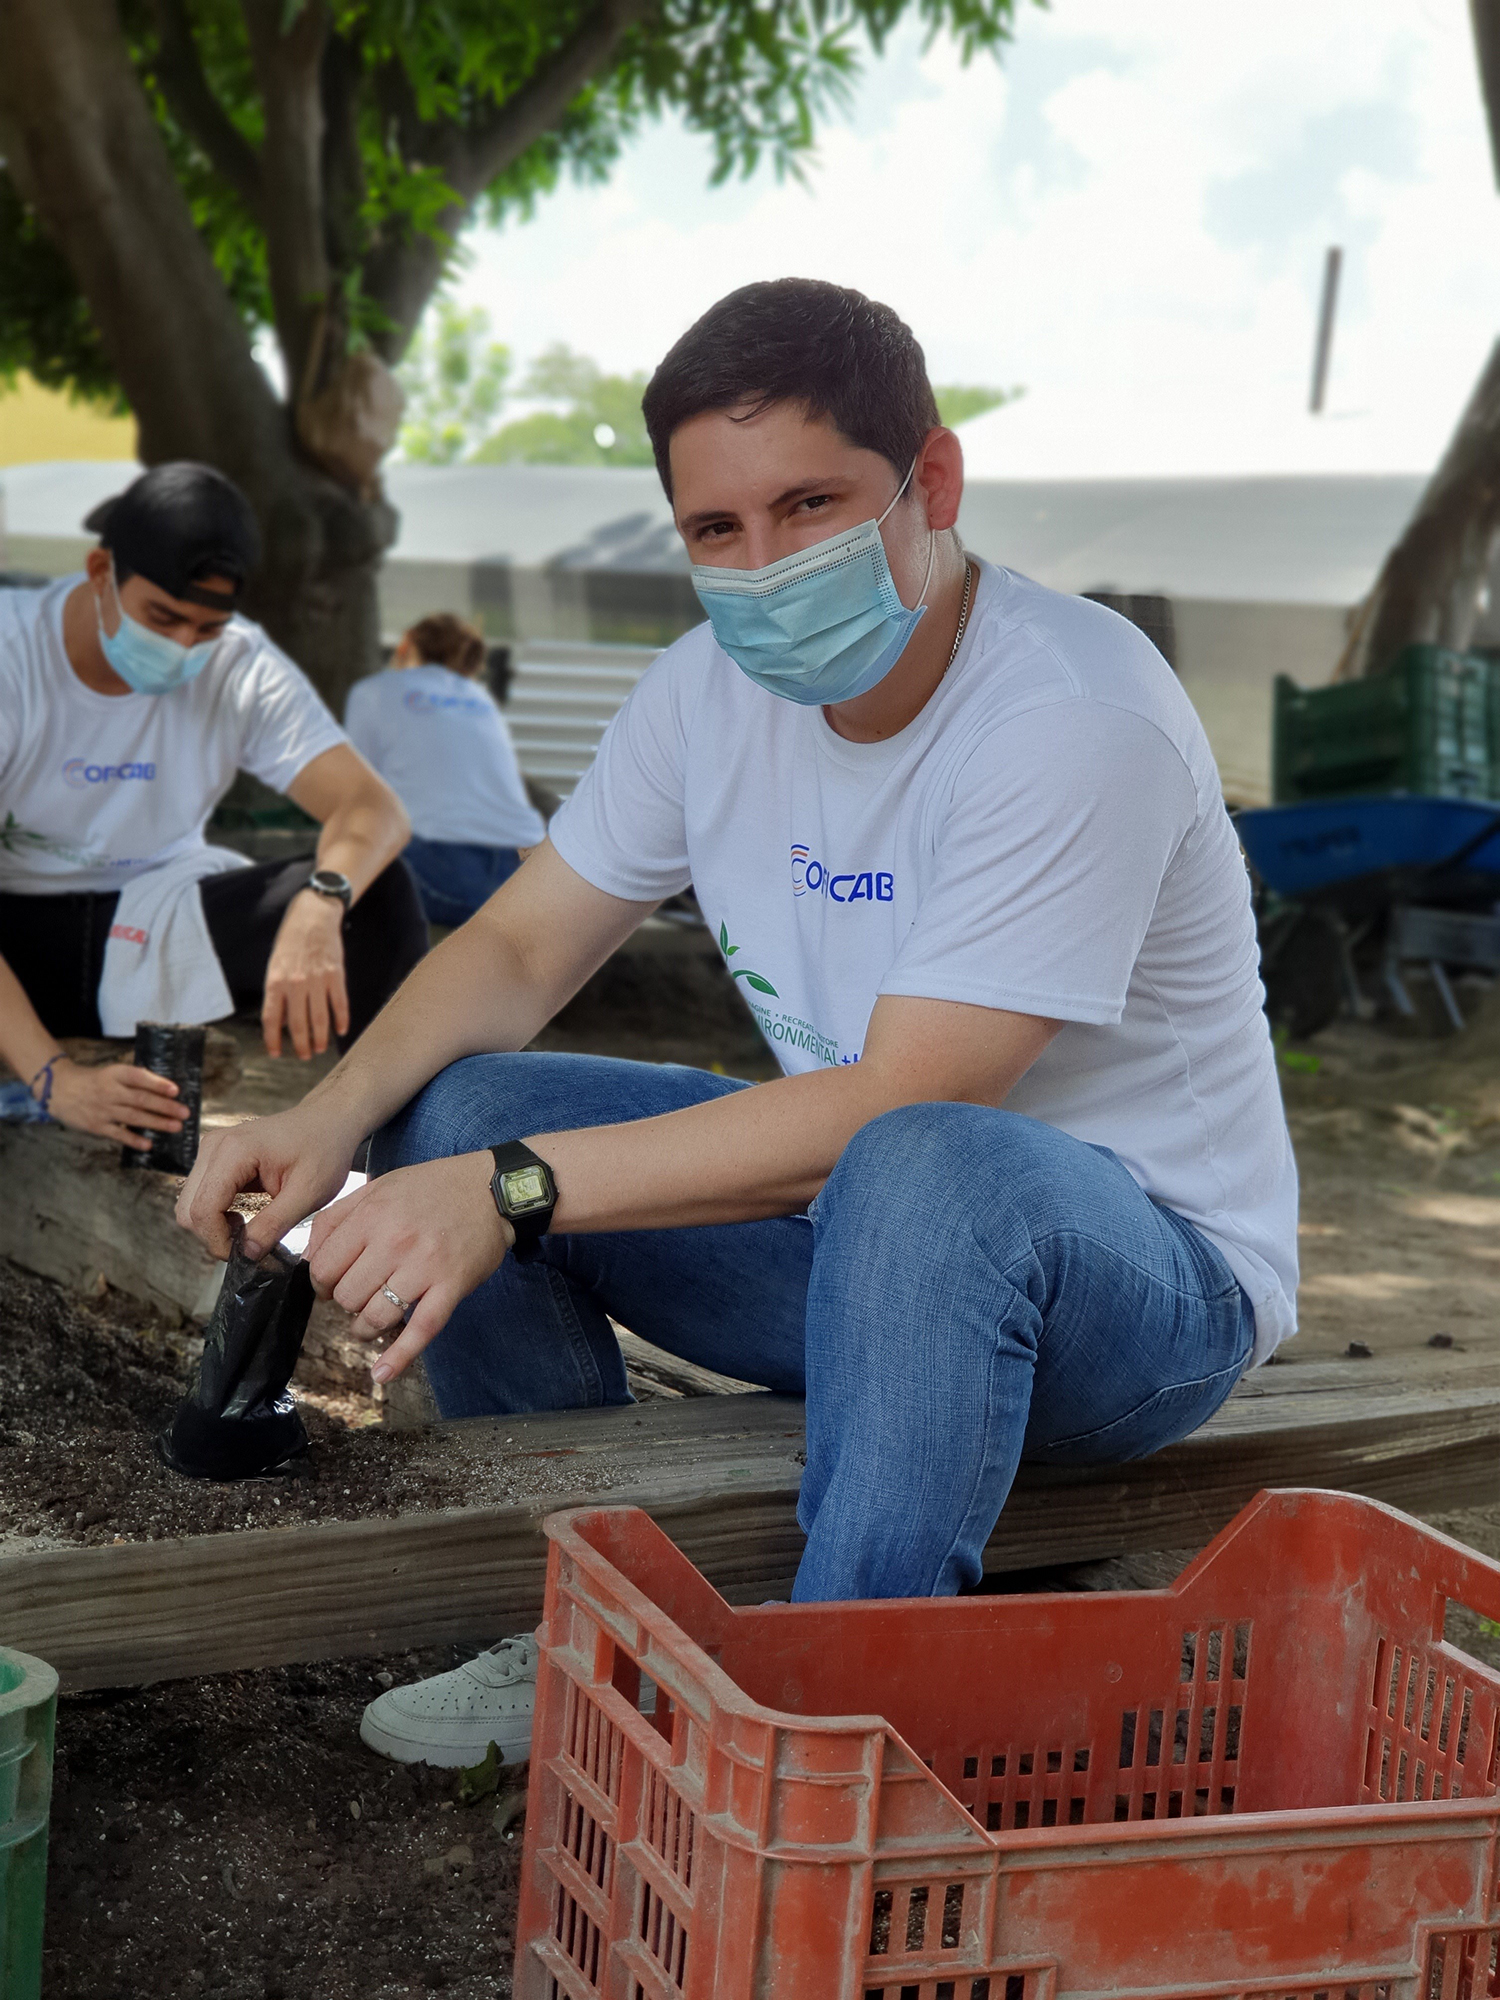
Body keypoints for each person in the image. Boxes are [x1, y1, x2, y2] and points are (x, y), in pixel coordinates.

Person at [177, 279, 1299, 1768]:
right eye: (718, 531)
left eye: (811, 505)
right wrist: (323, 1116)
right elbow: (517, 940)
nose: (764, 568)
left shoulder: (1073, 712)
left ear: (933, 482)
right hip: (862, 1255)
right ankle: (583, 1629)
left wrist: (511, 1191)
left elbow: (903, 1097)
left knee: (919, 1162)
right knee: (452, 1100)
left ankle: (825, 1740)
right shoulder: (705, 693)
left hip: (1140, 1300)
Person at [0, 461, 427, 1150]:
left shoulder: (238, 665)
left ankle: (392, 1157)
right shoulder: (11, 653)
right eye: (162, 618)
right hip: (16, 941)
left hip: (149, 921)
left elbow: (371, 809)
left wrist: (321, 903)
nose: (179, 647)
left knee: (373, 897)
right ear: (99, 571)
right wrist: (55, 1078)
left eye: (205, 628)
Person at [344, 612, 546, 928]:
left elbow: (356, 790)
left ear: (406, 645)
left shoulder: (374, 690)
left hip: (439, 871)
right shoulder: (479, 698)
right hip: (527, 879)